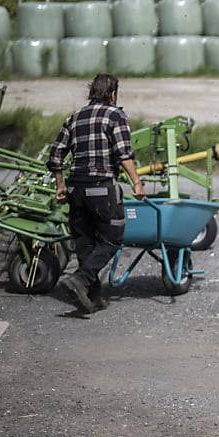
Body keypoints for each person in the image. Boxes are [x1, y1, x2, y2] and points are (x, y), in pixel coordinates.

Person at [47, 74, 146, 314]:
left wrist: (60, 185)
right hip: (101, 186)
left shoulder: (75, 117)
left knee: (85, 241)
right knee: (114, 237)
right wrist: (136, 182)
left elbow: (56, 155)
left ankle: (93, 296)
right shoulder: (116, 115)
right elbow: (124, 153)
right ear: (113, 93)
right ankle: (80, 280)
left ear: (92, 92)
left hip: (75, 188)